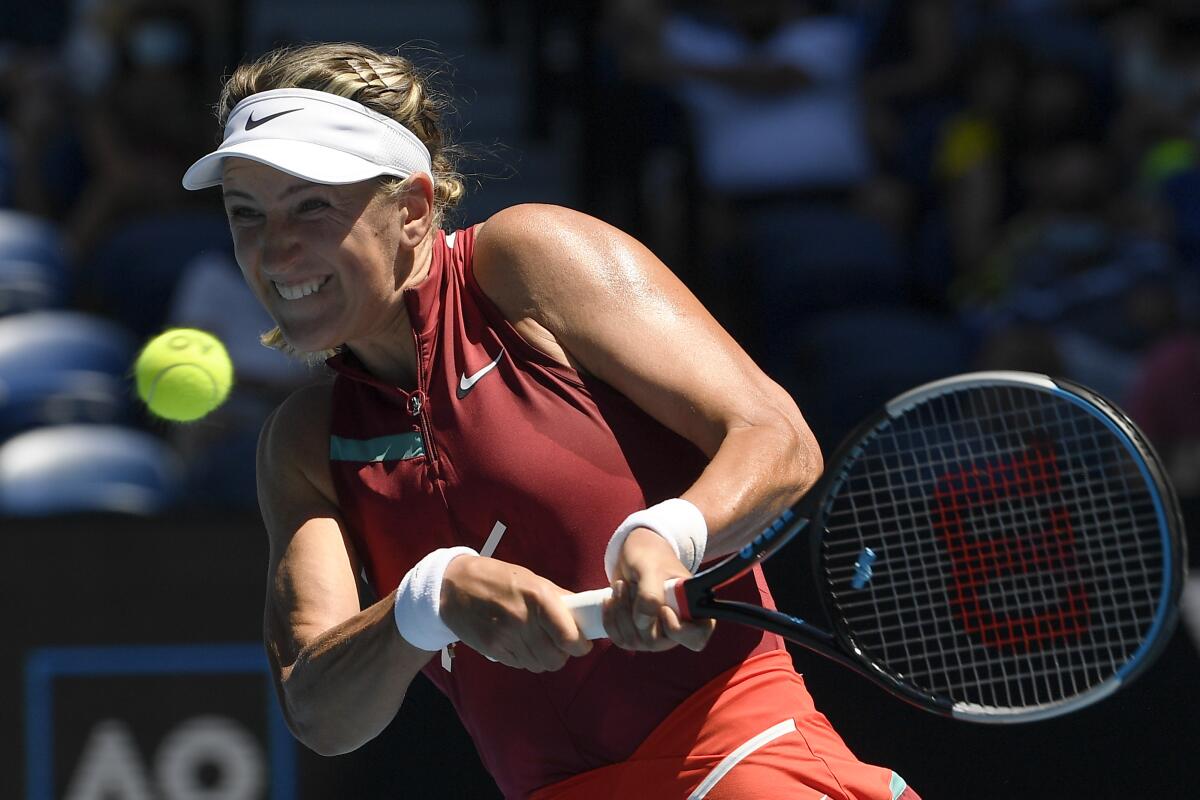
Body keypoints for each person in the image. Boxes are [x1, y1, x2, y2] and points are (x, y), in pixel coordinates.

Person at [181, 42, 920, 800]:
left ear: (410, 210)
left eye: (311, 205)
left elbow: (777, 436)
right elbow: (320, 712)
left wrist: (667, 535)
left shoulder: (524, 259)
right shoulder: (304, 442)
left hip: (740, 763)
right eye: (247, 215)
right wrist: (429, 600)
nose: (275, 250)